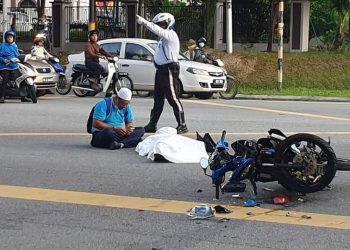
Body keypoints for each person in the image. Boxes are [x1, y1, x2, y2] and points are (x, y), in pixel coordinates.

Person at [136, 13, 188, 134]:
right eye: (159, 24)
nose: (160, 26)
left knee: (172, 97)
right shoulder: (162, 39)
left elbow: (157, 30)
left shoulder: (170, 35)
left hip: (169, 69)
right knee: (158, 98)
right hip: (161, 70)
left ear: (169, 23)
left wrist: (144, 22)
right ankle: (152, 124)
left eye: (162, 24)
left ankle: (182, 124)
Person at [0, 30, 31, 103]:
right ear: (6, 38)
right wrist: (4, 60)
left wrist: (23, 57)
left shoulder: (15, 46)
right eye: (8, 37)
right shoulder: (2, 46)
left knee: (22, 79)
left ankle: (23, 96)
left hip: (14, 66)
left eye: (11, 37)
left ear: (13, 38)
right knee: (5, 80)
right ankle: (2, 97)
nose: (9, 38)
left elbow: (17, 55)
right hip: (4, 67)